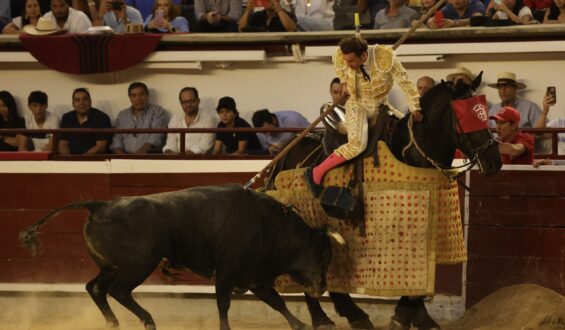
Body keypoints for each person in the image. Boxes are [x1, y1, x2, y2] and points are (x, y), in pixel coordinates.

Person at [304, 36, 423, 196]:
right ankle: (316, 173)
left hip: (382, 104)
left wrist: (415, 107)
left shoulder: (385, 56)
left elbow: (406, 83)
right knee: (357, 145)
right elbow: (340, 68)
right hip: (357, 105)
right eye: (347, 61)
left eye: (352, 61)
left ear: (363, 55)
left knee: (406, 129)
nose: (348, 65)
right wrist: (344, 81)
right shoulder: (342, 57)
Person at [110, 82, 168, 154]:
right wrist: (121, 155)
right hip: (125, 157)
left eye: (142, 94)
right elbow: (117, 138)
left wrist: (138, 156)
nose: (138, 99)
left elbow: (156, 136)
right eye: (134, 95)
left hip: (149, 157)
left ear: (147, 95)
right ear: (130, 98)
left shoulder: (157, 112)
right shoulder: (122, 115)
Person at [163, 87, 216, 154]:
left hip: (198, 160)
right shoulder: (175, 118)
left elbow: (205, 145)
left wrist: (186, 155)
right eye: (184, 102)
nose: (188, 105)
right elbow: (171, 143)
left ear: (198, 101)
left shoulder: (208, 119)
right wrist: (171, 152)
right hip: (177, 160)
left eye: (191, 101)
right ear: (181, 103)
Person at [59, 88, 111, 155]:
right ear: (73, 104)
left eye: (85, 99)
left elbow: (101, 147)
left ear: (90, 102)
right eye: (77, 100)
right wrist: (69, 160)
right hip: (71, 160)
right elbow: (63, 145)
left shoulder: (102, 118)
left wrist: (81, 160)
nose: (81, 103)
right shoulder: (66, 118)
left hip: (95, 160)